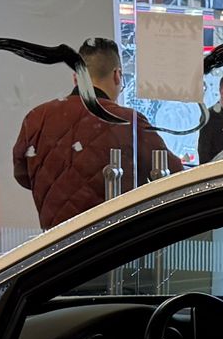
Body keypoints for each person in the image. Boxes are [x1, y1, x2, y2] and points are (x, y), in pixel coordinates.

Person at [11, 37, 176, 229]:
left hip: (54, 246)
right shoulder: (127, 121)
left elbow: (22, 175)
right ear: (117, 75)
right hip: (113, 242)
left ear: (76, 77)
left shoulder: (36, 118)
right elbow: (172, 174)